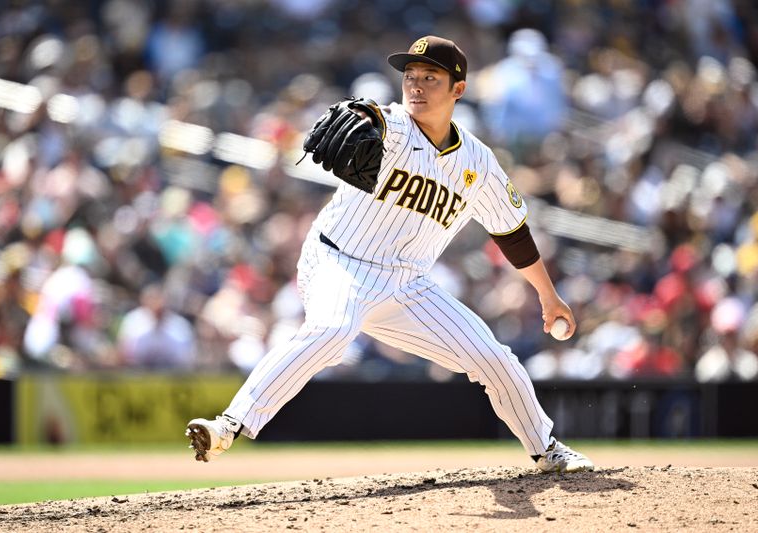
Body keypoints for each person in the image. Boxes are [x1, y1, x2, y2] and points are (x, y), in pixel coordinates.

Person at [186, 36, 594, 473]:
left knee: (494, 358)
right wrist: (362, 113)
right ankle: (229, 425)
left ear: (458, 89)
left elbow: (512, 232)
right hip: (340, 262)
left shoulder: (479, 163)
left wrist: (548, 297)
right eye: (410, 77)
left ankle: (545, 448)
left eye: (430, 78)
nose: (416, 86)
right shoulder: (393, 126)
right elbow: (370, 115)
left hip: (407, 284)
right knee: (332, 329)